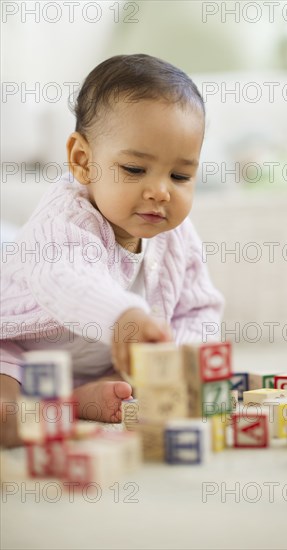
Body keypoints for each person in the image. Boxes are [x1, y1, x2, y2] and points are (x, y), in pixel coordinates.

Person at [0, 54, 224, 447]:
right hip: (17, 350)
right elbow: (65, 279)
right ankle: (61, 407)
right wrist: (122, 316)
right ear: (83, 161)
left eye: (180, 175)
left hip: (101, 363)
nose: (161, 191)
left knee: (139, 389)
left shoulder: (178, 238)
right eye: (135, 170)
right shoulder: (65, 219)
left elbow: (198, 308)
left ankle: (78, 398)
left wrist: (180, 360)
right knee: (6, 412)